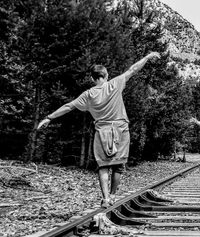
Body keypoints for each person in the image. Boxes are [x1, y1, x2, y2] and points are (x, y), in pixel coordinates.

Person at [37, 51, 161, 207]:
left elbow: (69, 106)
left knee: (103, 166)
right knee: (118, 166)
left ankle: (106, 198)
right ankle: (114, 195)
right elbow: (133, 69)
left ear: (92, 78)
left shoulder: (88, 94)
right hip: (121, 129)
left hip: (102, 132)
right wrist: (148, 57)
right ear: (106, 75)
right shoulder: (115, 83)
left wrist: (49, 118)